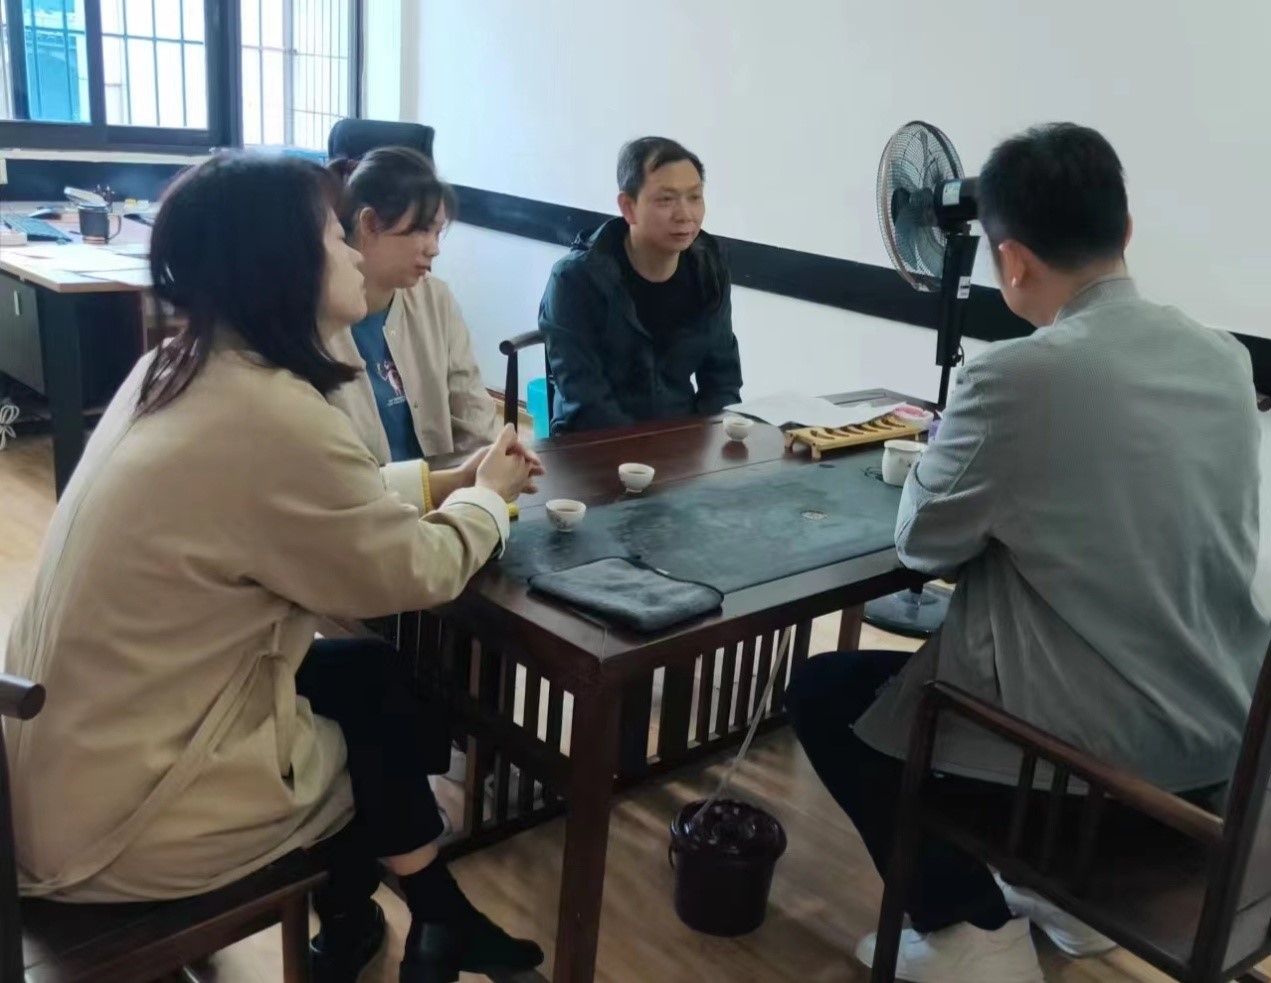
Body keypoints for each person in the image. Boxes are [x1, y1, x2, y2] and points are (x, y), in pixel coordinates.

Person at [3, 154, 546, 983]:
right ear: (283, 263)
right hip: (124, 817)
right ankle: (404, 917)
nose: (355, 250)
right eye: (335, 233)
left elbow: (305, 501)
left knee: (368, 676)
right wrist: (491, 499)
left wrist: (447, 481)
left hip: (71, 757)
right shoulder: (270, 413)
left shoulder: (177, 367)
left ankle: (431, 918)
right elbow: (419, 568)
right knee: (383, 741)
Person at [787, 123, 1267, 982]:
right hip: (1218, 757)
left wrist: (946, 459)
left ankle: (971, 934)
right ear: (1126, 230)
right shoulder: (1225, 361)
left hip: (1093, 782)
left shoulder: (1015, 375)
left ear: (1010, 261)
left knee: (827, 693)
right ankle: (1067, 909)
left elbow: (922, 540)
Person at [538, 136, 742, 434]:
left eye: (694, 197)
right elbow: (586, 400)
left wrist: (712, 441)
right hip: (593, 444)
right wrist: (654, 453)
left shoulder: (708, 267)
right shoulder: (575, 279)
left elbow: (722, 380)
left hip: (681, 440)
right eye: (666, 200)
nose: (685, 214)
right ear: (628, 207)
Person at [326, 146, 503, 461]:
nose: (434, 249)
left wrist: (488, 470)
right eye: (422, 230)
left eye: (438, 232)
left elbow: (472, 411)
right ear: (370, 224)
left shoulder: (435, 299)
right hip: (362, 490)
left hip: (448, 487)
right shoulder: (320, 319)